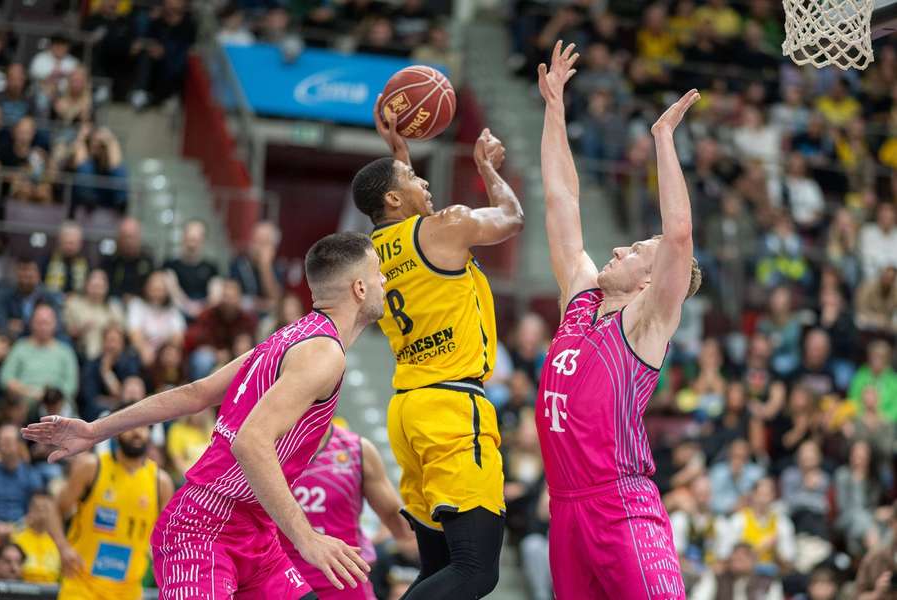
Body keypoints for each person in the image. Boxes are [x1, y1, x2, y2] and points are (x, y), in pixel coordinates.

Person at [23, 231, 384, 597]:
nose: (384, 280)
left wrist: (94, 430)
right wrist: (307, 538)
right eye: (378, 273)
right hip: (202, 529)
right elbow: (251, 441)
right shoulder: (325, 354)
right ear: (359, 288)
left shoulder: (288, 337)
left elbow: (198, 393)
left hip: (257, 536)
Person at [535, 42, 702, 598]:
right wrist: (555, 109)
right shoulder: (579, 296)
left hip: (620, 504)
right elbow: (561, 199)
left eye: (638, 250)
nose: (623, 246)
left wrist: (661, 140)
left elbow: (677, 236)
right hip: (565, 508)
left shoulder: (646, 322)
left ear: (652, 282)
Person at [354, 82, 524, 597]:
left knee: (437, 570)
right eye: (412, 176)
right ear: (392, 196)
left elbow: (405, 228)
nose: (423, 178)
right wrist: (490, 171)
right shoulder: (443, 229)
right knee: (477, 570)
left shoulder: (367, 253)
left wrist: (398, 156)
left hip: (408, 409)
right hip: (453, 408)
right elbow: (512, 219)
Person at [40, 402, 172, 600]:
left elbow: (165, 536)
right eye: (130, 426)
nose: (138, 432)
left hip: (128, 591)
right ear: (117, 431)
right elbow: (53, 509)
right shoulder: (91, 467)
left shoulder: (160, 482)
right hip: (81, 585)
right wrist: (63, 547)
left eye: (144, 427)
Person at [281, 423, 414, 599]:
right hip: (282, 580)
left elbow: (396, 520)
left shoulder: (356, 449)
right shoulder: (259, 447)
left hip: (345, 580)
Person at [11, 492, 60, 583]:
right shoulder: (16, 537)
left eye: (45, 509)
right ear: (30, 510)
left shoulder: (58, 542)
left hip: (51, 592)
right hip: (22, 590)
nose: (42, 514)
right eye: (37, 508)